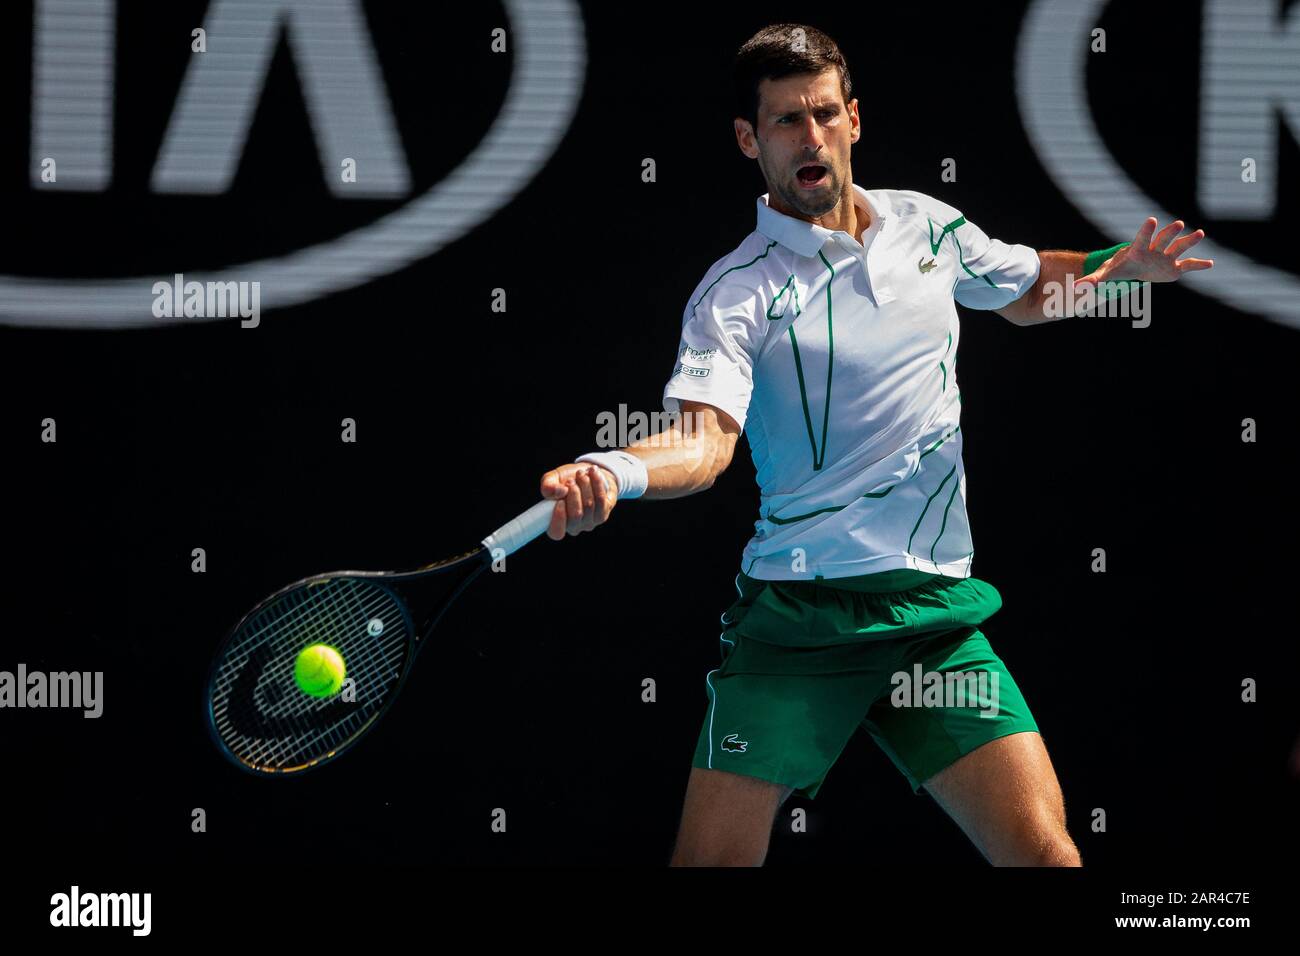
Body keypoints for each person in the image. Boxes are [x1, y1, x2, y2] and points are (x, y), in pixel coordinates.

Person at [538, 23, 1211, 867]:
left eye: (823, 113)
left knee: (1046, 856)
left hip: (931, 623)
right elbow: (704, 442)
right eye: (785, 121)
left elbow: (1026, 287)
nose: (809, 137)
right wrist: (617, 468)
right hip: (799, 623)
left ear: (854, 118)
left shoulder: (928, 227)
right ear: (749, 140)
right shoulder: (736, 293)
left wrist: (1118, 270)